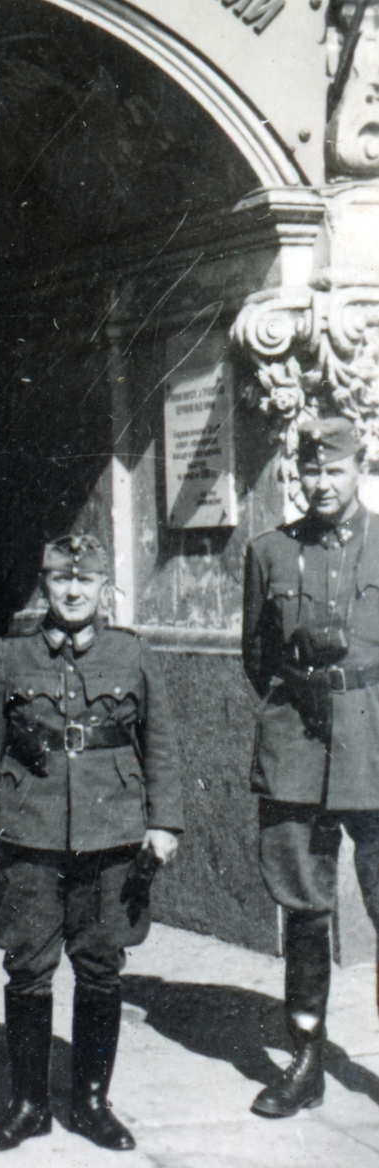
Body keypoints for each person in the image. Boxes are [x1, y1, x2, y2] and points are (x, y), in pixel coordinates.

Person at [0, 534, 183, 1153]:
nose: (74, 591)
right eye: (61, 581)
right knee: (28, 965)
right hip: (28, 831)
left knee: (101, 964)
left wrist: (165, 823)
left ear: (104, 587)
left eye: (85, 581)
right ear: (46, 586)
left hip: (112, 833)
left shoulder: (131, 653)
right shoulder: (10, 655)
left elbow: (159, 743)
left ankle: (90, 1104)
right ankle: (29, 1106)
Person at [242, 415, 379, 1119]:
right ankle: (303, 1061)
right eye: (311, 471)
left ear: (360, 468)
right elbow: (256, 659)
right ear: (295, 474)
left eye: (336, 469)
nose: (323, 483)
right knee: (301, 909)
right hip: (296, 747)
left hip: (376, 749)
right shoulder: (267, 552)